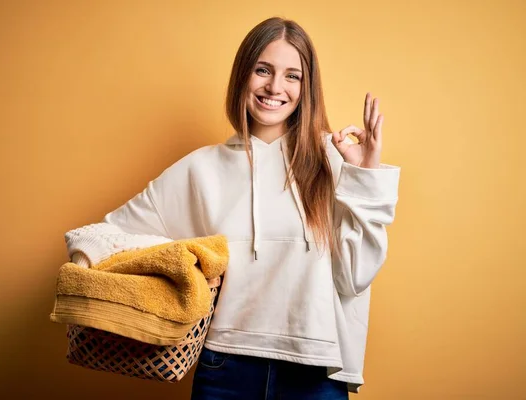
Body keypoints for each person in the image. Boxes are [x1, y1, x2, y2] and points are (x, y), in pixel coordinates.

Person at [64, 17, 400, 400]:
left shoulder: (332, 160)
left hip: (314, 370)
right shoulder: (200, 168)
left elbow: (357, 274)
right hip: (224, 367)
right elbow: (114, 233)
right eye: (263, 70)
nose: (275, 87)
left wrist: (365, 172)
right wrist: (88, 263)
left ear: (307, 89)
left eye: (293, 76)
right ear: (243, 75)